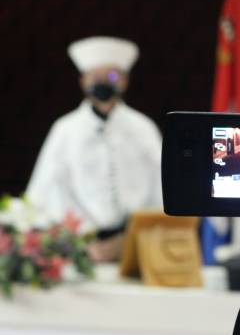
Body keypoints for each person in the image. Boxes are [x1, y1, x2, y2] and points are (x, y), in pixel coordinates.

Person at [26, 36, 162, 261]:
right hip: (80, 248)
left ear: (125, 81)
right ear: (83, 81)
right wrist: (84, 239)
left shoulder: (143, 128)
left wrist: (128, 239)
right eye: (95, 76)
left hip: (137, 244)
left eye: (112, 76)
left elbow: (161, 187)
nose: (103, 82)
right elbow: (48, 190)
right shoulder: (65, 129)